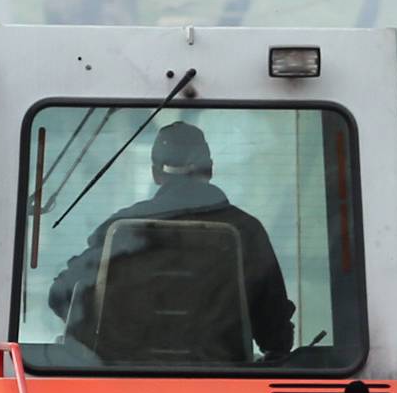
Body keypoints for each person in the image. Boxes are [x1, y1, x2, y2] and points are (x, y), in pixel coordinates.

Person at [48, 121, 295, 362]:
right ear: (209, 169)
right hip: (224, 392)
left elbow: (60, 294)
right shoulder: (246, 231)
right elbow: (276, 337)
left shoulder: (119, 232)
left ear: (156, 173)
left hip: (122, 389)